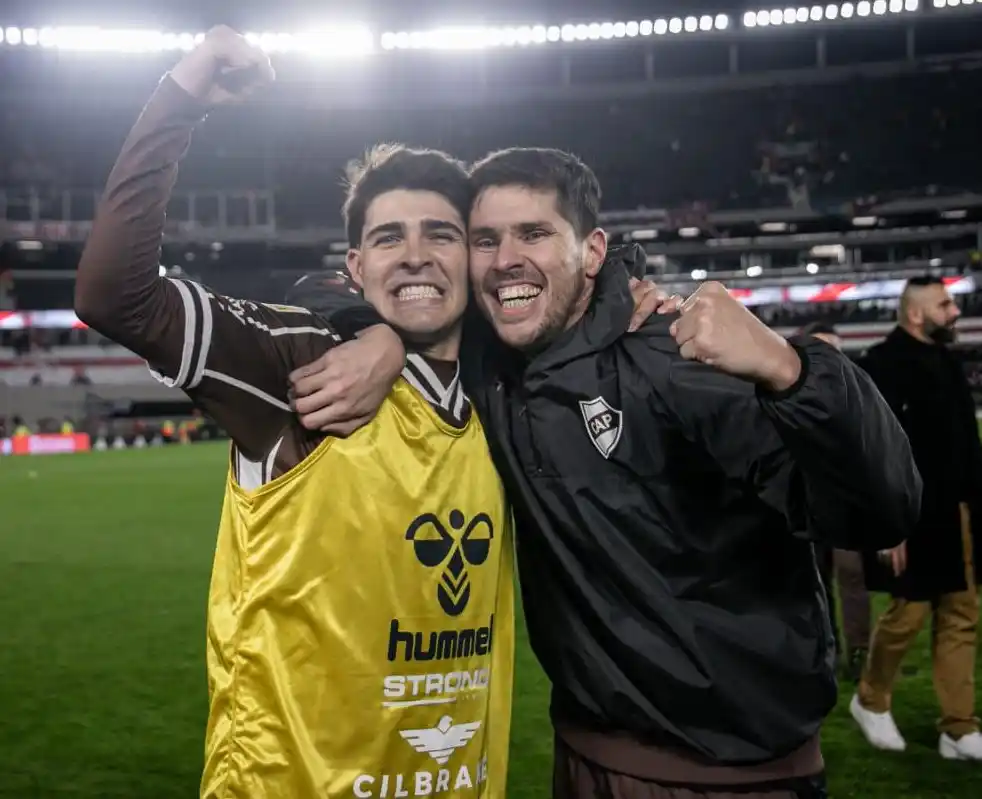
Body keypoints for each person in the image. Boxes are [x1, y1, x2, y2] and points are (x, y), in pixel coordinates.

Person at [290, 147, 922, 798]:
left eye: (534, 232)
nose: (507, 257)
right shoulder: (492, 360)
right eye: (487, 239)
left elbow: (879, 512)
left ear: (591, 251)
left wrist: (792, 369)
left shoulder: (679, 355)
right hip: (583, 760)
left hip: (735, 779)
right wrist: (378, 334)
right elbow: (340, 286)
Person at [73, 27, 519, 798]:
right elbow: (115, 297)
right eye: (388, 238)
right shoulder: (298, 360)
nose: (415, 254)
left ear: (472, 257)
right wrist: (180, 99)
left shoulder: (508, 383)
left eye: (440, 234)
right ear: (354, 266)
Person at [852, 276, 982, 760]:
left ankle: (958, 726)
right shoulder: (881, 366)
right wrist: (886, 523)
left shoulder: (948, 360)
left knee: (962, 614)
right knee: (907, 614)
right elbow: (869, 453)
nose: (954, 311)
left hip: (958, 513)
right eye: (944, 304)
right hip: (909, 516)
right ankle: (870, 699)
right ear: (914, 314)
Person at [798, 321, 871, 681]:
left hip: (844, 504)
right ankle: (830, 649)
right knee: (816, 583)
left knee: (852, 577)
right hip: (807, 505)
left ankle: (859, 654)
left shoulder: (857, 399)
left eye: (836, 350)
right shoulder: (785, 396)